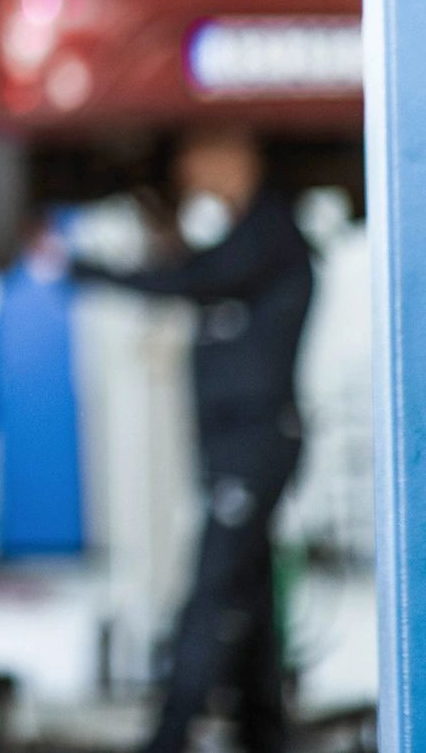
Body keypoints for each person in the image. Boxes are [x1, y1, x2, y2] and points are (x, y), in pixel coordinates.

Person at [60, 126, 312, 753]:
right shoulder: (247, 237)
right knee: (244, 592)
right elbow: (196, 267)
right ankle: (264, 731)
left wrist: (82, 269)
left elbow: (191, 279)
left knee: (213, 589)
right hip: (237, 444)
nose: (187, 173)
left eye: (196, 155)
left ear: (239, 152)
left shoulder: (268, 235)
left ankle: (170, 736)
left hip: (255, 445)